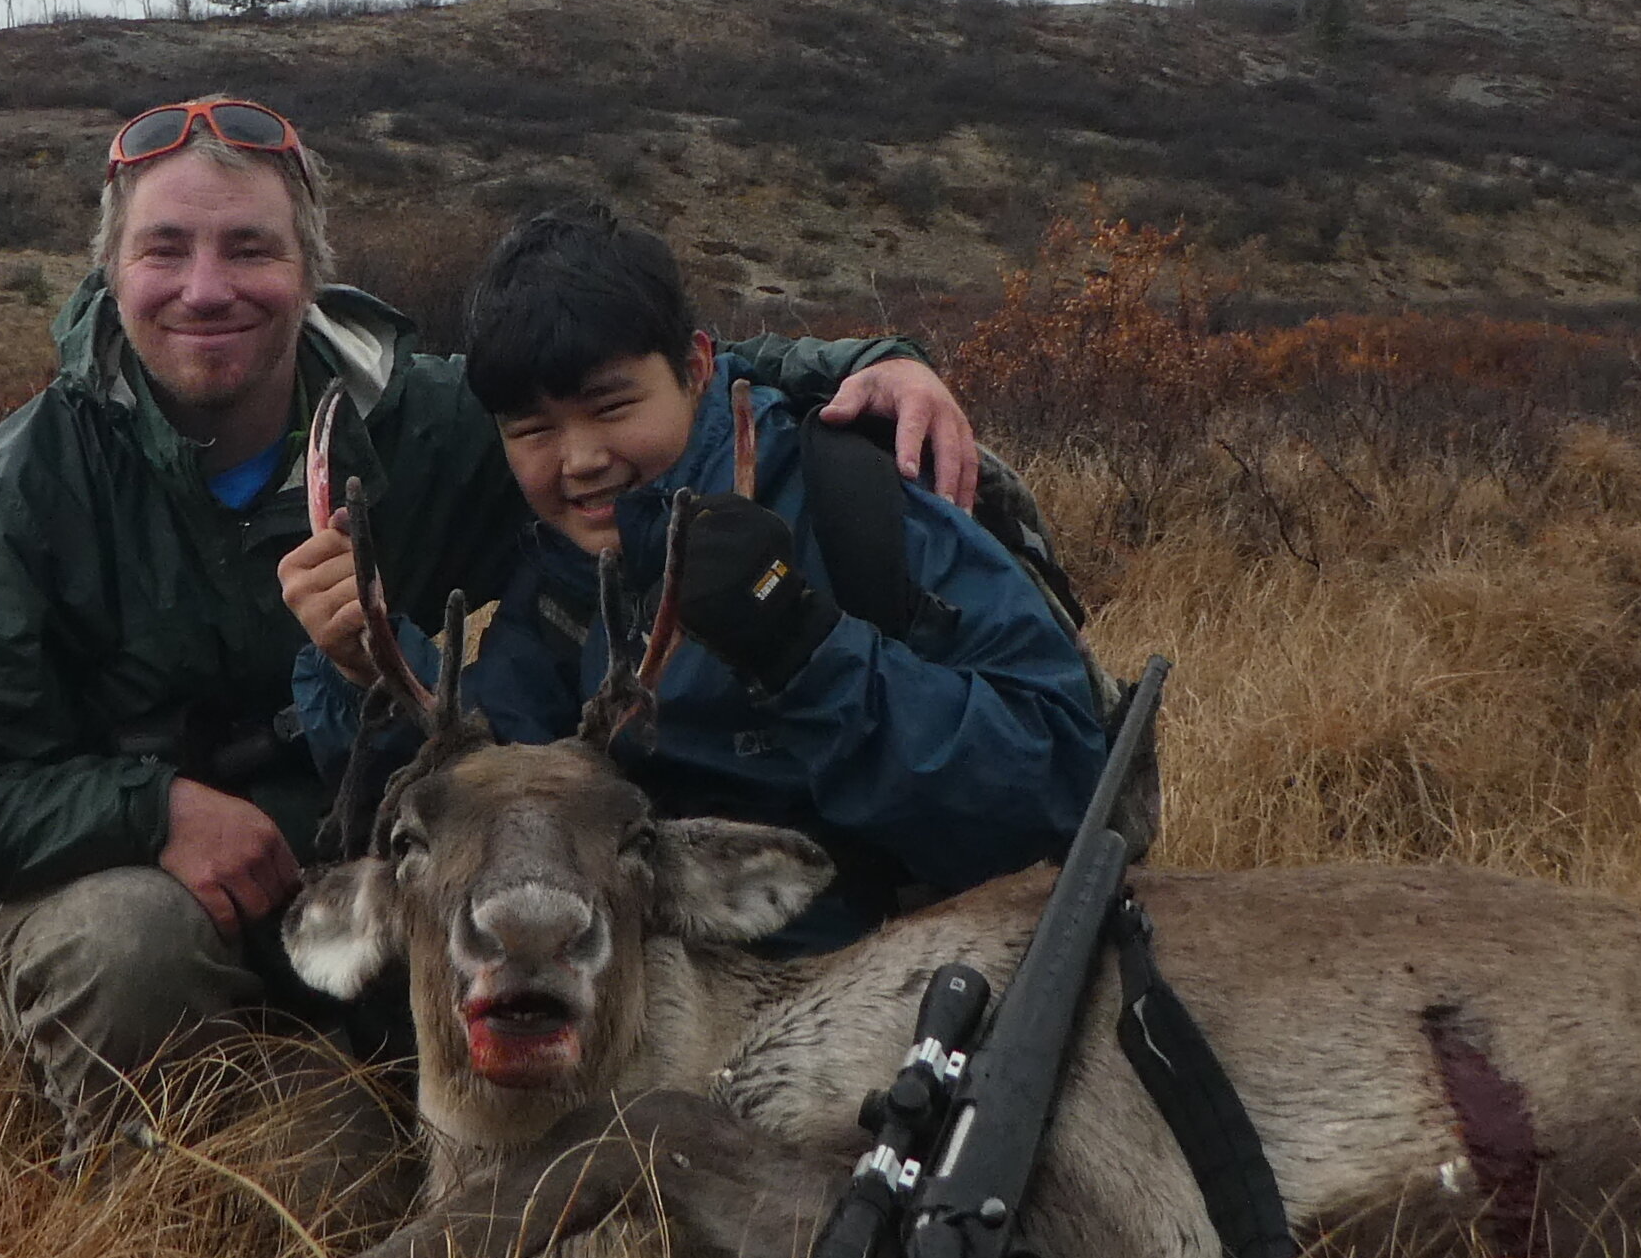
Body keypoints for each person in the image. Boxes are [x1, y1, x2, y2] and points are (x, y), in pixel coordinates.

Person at [0, 97, 979, 1150]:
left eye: (249, 248)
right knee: (125, 949)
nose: (206, 286)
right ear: (111, 272)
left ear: (309, 272)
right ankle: (192, 1177)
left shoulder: (421, 421)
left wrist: (870, 363)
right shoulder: (18, 498)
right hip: (144, 876)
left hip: (371, 851)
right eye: (165, 250)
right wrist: (151, 812)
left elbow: (627, 381)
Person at [287, 201, 1104, 948]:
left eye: (612, 408)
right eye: (532, 429)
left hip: (907, 969)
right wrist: (372, 670)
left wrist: (803, 647)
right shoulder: (560, 583)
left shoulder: (857, 505)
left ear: (698, 368)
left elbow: (1059, 791)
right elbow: (509, 785)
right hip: (662, 982)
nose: (580, 462)